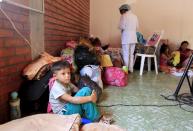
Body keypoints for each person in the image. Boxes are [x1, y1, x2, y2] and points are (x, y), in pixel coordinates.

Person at [119, 4, 139, 73]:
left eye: (120, 11)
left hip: (126, 37)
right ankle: (131, 69)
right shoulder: (135, 16)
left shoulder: (124, 16)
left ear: (123, 10)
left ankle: (125, 71)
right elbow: (137, 27)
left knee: (125, 54)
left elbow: (122, 27)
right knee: (131, 54)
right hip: (133, 37)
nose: (120, 13)